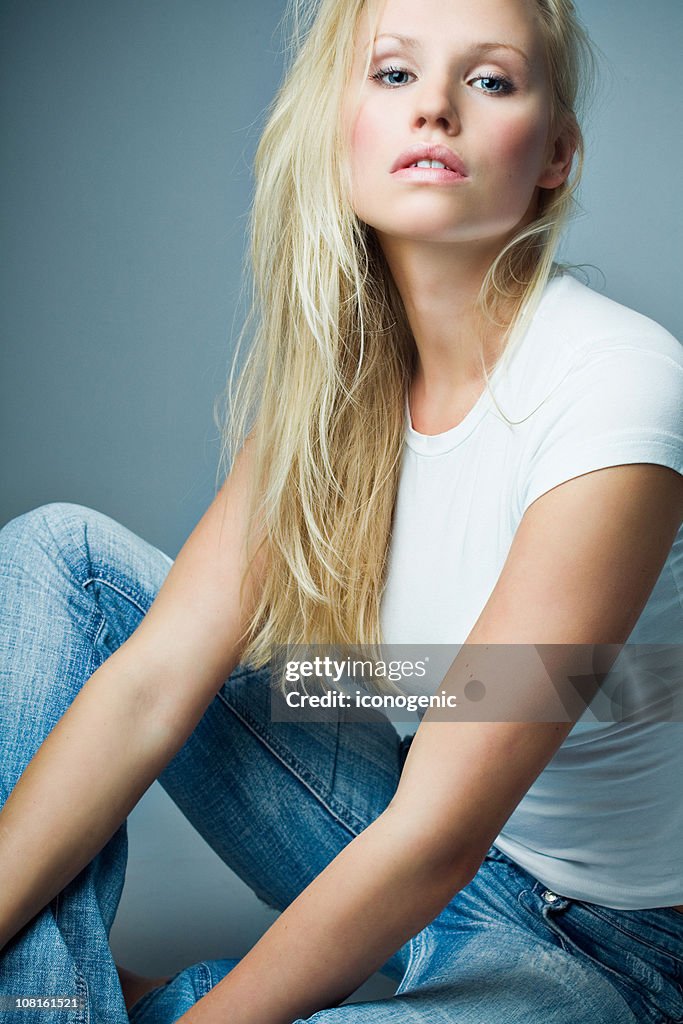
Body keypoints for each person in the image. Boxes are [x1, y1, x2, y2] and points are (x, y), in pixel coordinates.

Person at [1, 0, 682, 1021]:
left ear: (555, 154)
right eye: (394, 75)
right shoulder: (341, 393)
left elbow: (438, 833)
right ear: (338, 126)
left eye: (489, 80)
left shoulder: (617, 390)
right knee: (64, 558)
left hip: (605, 941)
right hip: (409, 800)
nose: (436, 110)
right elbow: (149, 687)